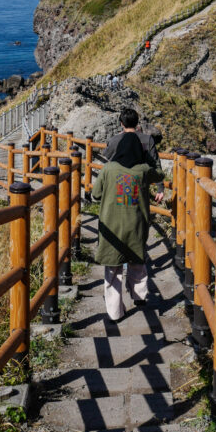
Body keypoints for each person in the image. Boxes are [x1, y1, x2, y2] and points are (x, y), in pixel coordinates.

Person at [91, 131, 165, 321]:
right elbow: (159, 174)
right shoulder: (142, 170)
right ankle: (139, 296)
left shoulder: (108, 169)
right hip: (136, 223)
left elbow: (96, 195)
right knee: (137, 259)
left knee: (112, 267)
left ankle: (115, 312)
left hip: (111, 224)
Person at [102, 107, 162, 178]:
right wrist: (160, 187)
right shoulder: (148, 139)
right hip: (139, 181)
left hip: (118, 181)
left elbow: (107, 154)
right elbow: (155, 162)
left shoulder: (115, 139)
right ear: (137, 122)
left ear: (121, 124)